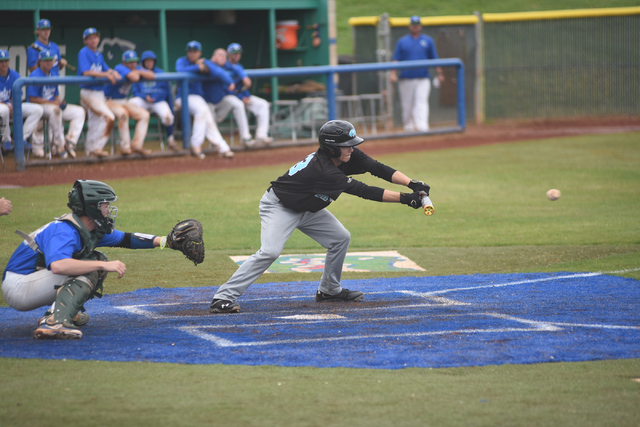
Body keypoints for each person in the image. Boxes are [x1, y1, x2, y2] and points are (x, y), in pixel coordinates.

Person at [209, 120, 431, 313]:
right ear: (332, 149)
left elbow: (378, 169)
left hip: (308, 207)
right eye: (347, 146)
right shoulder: (324, 170)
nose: (352, 150)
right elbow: (364, 191)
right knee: (270, 251)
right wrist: (407, 199)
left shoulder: (347, 156)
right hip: (280, 207)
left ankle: (329, 291)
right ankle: (223, 298)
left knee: (340, 238)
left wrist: (412, 184)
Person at [2, 180, 187, 339]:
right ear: (92, 207)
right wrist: (103, 265)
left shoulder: (88, 228)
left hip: (34, 280)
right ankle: (54, 323)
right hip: (19, 286)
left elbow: (127, 239)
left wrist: (166, 241)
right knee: (94, 265)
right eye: (105, 205)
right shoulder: (65, 230)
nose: (109, 210)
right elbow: (58, 266)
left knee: (95, 261)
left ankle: (55, 313)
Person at [175, 41, 234, 159]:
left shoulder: (205, 62)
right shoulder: (182, 61)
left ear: (199, 53)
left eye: (195, 51)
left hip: (197, 98)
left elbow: (219, 72)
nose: (192, 54)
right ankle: (196, 145)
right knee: (202, 110)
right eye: (190, 51)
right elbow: (179, 70)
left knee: (209, 120)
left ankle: (223, 148)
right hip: (182, 98)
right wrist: (197, 67)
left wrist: (230, 82)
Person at [27, 49, 86, 159]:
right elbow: (32, 98)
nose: (48, 63)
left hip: (52, 106)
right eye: (45, 60)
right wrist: (53, 103)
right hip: (38, 107)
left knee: (79, 112)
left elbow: (55, 95)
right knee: (55, 110)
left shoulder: (53, 74)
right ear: (39, 62)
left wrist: (59, 102)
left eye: (50, 60)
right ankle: (59, 145)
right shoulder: (34, 75)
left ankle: (70, 141)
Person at [389, 16, 444, 132]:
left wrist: (439, 73)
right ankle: (408, 126)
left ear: (420, 26)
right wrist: (393, 73)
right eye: (413, 25)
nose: (415, 27)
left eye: (417, 25)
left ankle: (422, 126)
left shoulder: (428, 40)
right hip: (406, 78)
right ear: (410, 26)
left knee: (421, 102)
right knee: (407, 104)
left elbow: (434, 58)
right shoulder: (402, 41)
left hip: (423, 77)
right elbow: (396, 59)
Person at [77, 27, 121, 158]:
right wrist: (106, 75)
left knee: (95, 121)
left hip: (98, 92)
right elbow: (86, 72)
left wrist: (114, 72)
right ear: (85, 41)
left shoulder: (98, 54)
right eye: (90, 38)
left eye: (95, 37)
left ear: (99, 39)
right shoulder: (83, 52)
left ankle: (90, 151)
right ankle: (97, 147)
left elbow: (107, 69)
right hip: (88, 92)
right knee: (109, 117)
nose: (93, 40)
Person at [103, 50, 153, 156]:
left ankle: (136, 145)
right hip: (108, 100)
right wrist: (137, 72)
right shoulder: (119, 67)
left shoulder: (135, 68)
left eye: (134, 61)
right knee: (123, 114)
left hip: (122, 100)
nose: (133, 64)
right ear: (124, 62)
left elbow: (151, 75)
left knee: (144, 115)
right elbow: (134, 77)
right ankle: (125, 147)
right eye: (130, 62)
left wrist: (138, 71)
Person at [203, 48, 255, 148]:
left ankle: (245, 137)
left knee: (237, 103)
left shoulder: (228, 66)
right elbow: (214, 69)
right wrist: (229, 81)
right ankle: (215, 142)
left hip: (221, 100)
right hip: (207, 101)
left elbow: (239, 71)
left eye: (224, 56)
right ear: (213, 57)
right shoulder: (207, 64)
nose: (223, 58)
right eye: (220, 55)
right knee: (210, 117)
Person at [130, 50, 178, 151]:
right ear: (143, 62)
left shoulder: (160, 73)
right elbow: (135, 91)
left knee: (168, 116)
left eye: (151, 61)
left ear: (154, 61)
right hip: (143, 100)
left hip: (158, 101)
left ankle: (170, 139)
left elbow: (165, 91)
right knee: (131, 104)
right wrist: (144, 96)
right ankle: (131, 141)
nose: (149, 63)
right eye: (146, 61)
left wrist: (156, 96)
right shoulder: (138, 73)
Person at [226, 43, 273, 144]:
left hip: (241, 96)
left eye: (238, 53)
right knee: (239, 105)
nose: (237, 55)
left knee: (263, 104)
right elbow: (226, 89)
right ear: (229, 54)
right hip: (229, 98)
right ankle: (245, 137)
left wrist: (245, 97)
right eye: (234, 53)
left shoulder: (238, 66)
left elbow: (246, 85)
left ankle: (261, 135)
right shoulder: (225, 66)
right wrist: (240, 98)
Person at [0, 50, 44, 151]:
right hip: (2, 108)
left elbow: (17, 96)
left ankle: (21, 138)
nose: (4, 63)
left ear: (9, 61)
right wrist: (8, 106)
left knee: (37, 109)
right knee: (4, 110)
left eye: (6, 61)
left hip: (11, 106)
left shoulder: (15, 75)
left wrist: (13, 105)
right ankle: (6, 140)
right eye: (1, 61)